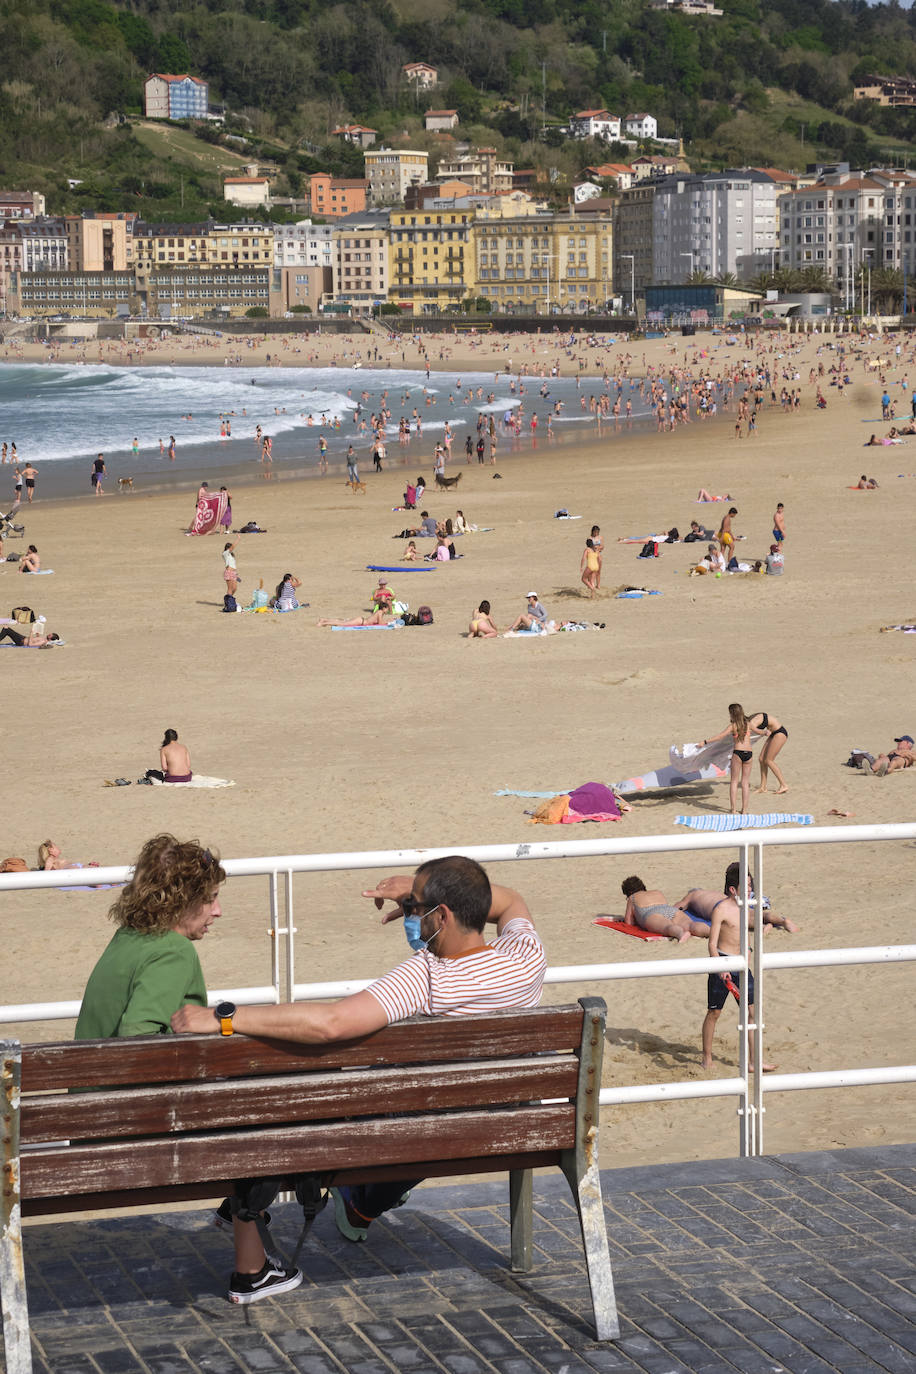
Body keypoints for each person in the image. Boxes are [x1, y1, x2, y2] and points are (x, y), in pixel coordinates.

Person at [172, 855, 545, 1303]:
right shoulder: (526, 956)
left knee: (284, 1090)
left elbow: (331, 1024)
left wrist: (225, 1017)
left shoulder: (427, 977)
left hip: (411, 1134)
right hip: (503, 1127)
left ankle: (246, 1210)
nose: (412, 915)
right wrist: (429, 891)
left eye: (416, 908)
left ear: (442, 916)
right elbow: (510, 900)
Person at [75, 835, 225, 1040]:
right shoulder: (174, 951)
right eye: (210, 898)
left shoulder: (127, 936)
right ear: (182, 900)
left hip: (87, 1058)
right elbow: (138, 1036)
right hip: (114, 1061)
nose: (218, 911)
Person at [673, 886, 776, 1072]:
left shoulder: (746, 908)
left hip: (741, 965)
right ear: (733, 889)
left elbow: (745, 935)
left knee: (752, 1011)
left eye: (750, 887)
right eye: (746, 887)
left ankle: (754, 1061)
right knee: (714, 1013)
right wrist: (721, 968)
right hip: (722, 962)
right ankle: (706, 1058)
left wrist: (748, 951)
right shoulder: (720, 909)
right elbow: (712, 944)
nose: (749, 890)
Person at [620, 877, 709, 943]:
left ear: (629, 893)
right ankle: (710, 931)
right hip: (669, 909)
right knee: (690, 924)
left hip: (651, 913)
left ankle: (680, 934)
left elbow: (629, 922)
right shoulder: (657, 892)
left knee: (668, 927)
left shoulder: (632, 898)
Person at [703, 703, 755, 814]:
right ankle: (744, 810)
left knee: (734, 782)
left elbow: (719, 736)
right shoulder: (748, 724)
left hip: (738, 753)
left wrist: (705, 742)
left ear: (732, 714)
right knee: (745, 782)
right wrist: (766, 732)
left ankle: (733, 809)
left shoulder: (732, 726)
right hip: (749, 754)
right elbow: (760, 731)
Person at [747, 711, 789, 794]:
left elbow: (750, 731)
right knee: (761, 759)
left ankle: (783, 785)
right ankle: (763, 787)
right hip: (773, 733)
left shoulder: (754, 721)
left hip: (780, 733)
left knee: (769, 760)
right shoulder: (754, 719)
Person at [317, 608, 396, 627]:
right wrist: (388, 622)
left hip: (361, 620)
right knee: (342, 624)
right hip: (361, 621)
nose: (387, 610)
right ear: (384, 608)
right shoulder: (380, 612)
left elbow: (378, 621)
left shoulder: (379, 612)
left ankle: (324, 619)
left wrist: (389, 620)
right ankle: (323, 623)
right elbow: (380, 623)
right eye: (387, 608)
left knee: (342, 621)